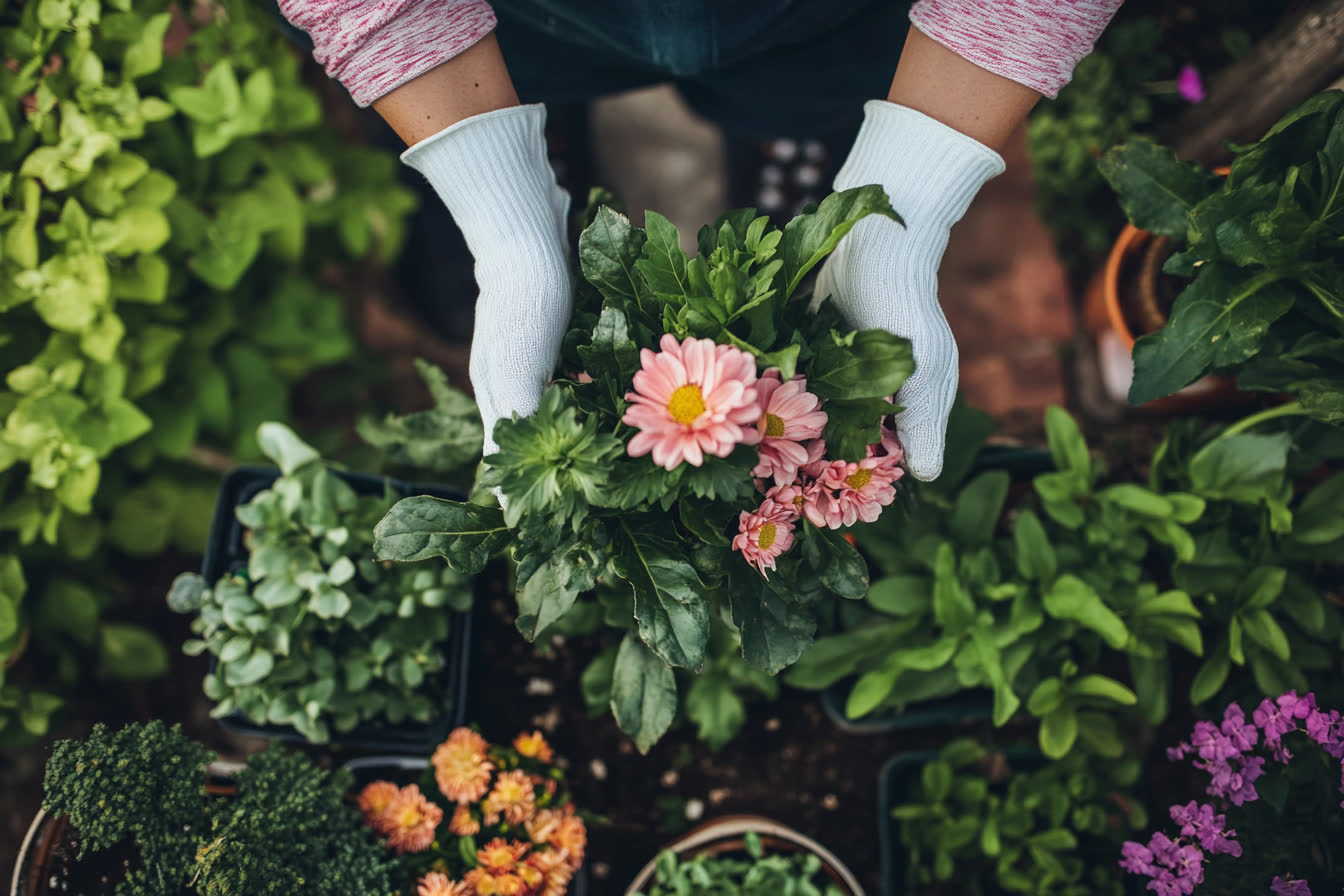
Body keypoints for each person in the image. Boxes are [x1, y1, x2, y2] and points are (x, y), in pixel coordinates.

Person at [278, 0, 1122, 480]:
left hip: (826, 22)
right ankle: (536, 141)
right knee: (469, 230)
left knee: (798, 102)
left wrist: (907, 191)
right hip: (509, 18)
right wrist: (496, 194)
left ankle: (785, 136)